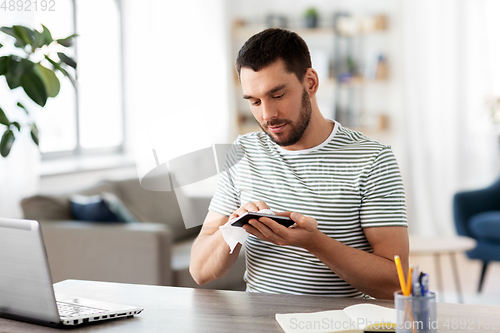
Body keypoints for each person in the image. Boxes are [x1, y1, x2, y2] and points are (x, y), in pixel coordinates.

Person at [189, 28, 408, 299]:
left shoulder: (373, 159)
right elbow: (199, 271)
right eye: (255, 101)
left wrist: (314, 243)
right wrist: (235, 227)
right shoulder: (244, 151)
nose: (267, 115)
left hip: (338, 324)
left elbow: (395, 282)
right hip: (258, 323)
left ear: (311, 83)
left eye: (278, 95)